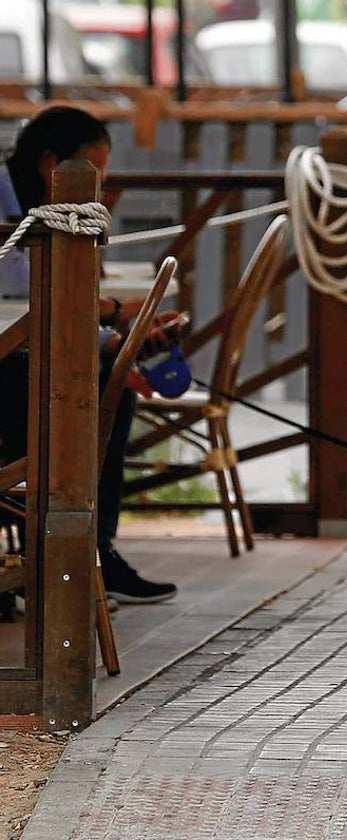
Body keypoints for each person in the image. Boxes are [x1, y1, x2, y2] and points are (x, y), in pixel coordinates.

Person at [0, 106, 179, 604]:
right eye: (93, 176)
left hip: (20, 357)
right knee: (90, 389)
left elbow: (40, 306)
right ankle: (61, 554)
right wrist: (115, 315)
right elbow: (21, 297)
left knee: (105, 385)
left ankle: (89, 552)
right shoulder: (11, 209)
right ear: (50, 165)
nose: (99, 191)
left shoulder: (43, 211)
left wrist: (114, 336)